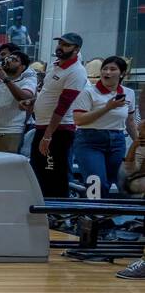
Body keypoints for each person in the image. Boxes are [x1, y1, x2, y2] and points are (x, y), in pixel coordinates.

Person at [30, 32, 90, 198]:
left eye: (66, 45)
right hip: (43, 126)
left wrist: (48, 136)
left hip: (59, 130)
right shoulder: (55, 65)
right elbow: (49, 93)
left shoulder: (77, 72)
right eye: (60, 43)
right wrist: (33, 101)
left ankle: (59, 215)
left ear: (76, 49)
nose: (60, 47)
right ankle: (43, 213)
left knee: (54, 175)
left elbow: (63, 105)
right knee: (39, 171)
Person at [73, 54, 137, 194]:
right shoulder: (88, 92)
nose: (107, 72)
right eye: (105, 69)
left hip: (117, 140)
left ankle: (103, 214)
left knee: (113, 181)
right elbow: (79, 120)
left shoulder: (129, 93)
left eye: (113, 69)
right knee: (97, 183)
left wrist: (139, 143)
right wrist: (107, 107)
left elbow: (130, 121)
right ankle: (91, 214)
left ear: (122, 74)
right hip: (89, 140)